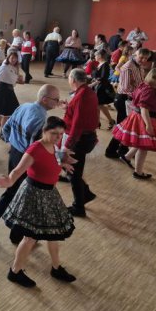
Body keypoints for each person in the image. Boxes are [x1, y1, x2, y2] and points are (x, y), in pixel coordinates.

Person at [0, 116, 76, 288]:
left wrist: (63, 162)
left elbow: (53, 157)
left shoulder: (53, 145)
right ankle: (15, 272)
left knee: (52, 233)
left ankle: (56, 268)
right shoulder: (35, 149)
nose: (58, 137)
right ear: (44, 131)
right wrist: (9, 181)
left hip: (49, 194)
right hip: (34, 195)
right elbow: (18, 170)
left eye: (61, 134)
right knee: (30, 238)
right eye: (54, 133)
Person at [0, 84, 61, 243]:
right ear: (45, 99)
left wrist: (13, 143)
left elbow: (6, 127)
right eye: (56, 99)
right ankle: (12, 234)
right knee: (24, 196)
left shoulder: (24, 106)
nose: (58, 102)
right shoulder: (41, 119)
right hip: (25, 158)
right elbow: (35, 147)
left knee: (14, 192)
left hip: (15, 153)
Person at [113, 69, 156, 179]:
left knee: (141, 142)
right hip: (144, 118)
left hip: (138, 116)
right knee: (144, 147)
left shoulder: (144, 85)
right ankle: (138, 172)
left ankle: (127, 157)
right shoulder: (150, 91)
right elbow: (144, 108)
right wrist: (148, 125)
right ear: (153, 79)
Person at [63, 69, 99, 217]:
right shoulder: (88, 91)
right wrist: (68, 108)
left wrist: (67, 146)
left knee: (73, 173)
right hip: (86, 137)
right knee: (71, 169)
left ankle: (79, 207)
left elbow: (78, 124)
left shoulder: (81, 96)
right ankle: (86, 194)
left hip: (79, 139)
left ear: (73, 79)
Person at [104, 48, 151, 159]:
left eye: (146, 58)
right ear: (135, 55)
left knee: (128, 127)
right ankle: (110, 151)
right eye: (141, 57)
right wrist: (140, 94)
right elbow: (126, 88)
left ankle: (123, 149)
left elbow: (140, 83)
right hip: (124, 99)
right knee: (123, 127)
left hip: (131, 99)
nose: (143, 60)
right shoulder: (128, 67)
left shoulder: (139, 66)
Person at [90, 49, 116, 130]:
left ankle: (109, 121)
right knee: (98, 105)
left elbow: (103, 77)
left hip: (101, 87)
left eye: (96, 55)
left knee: (99, 105)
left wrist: (94, 82)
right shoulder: (100, 64)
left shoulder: (105, 65)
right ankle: (99, 122)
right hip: (97, 86)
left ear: (100, 56)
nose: (95, 56)